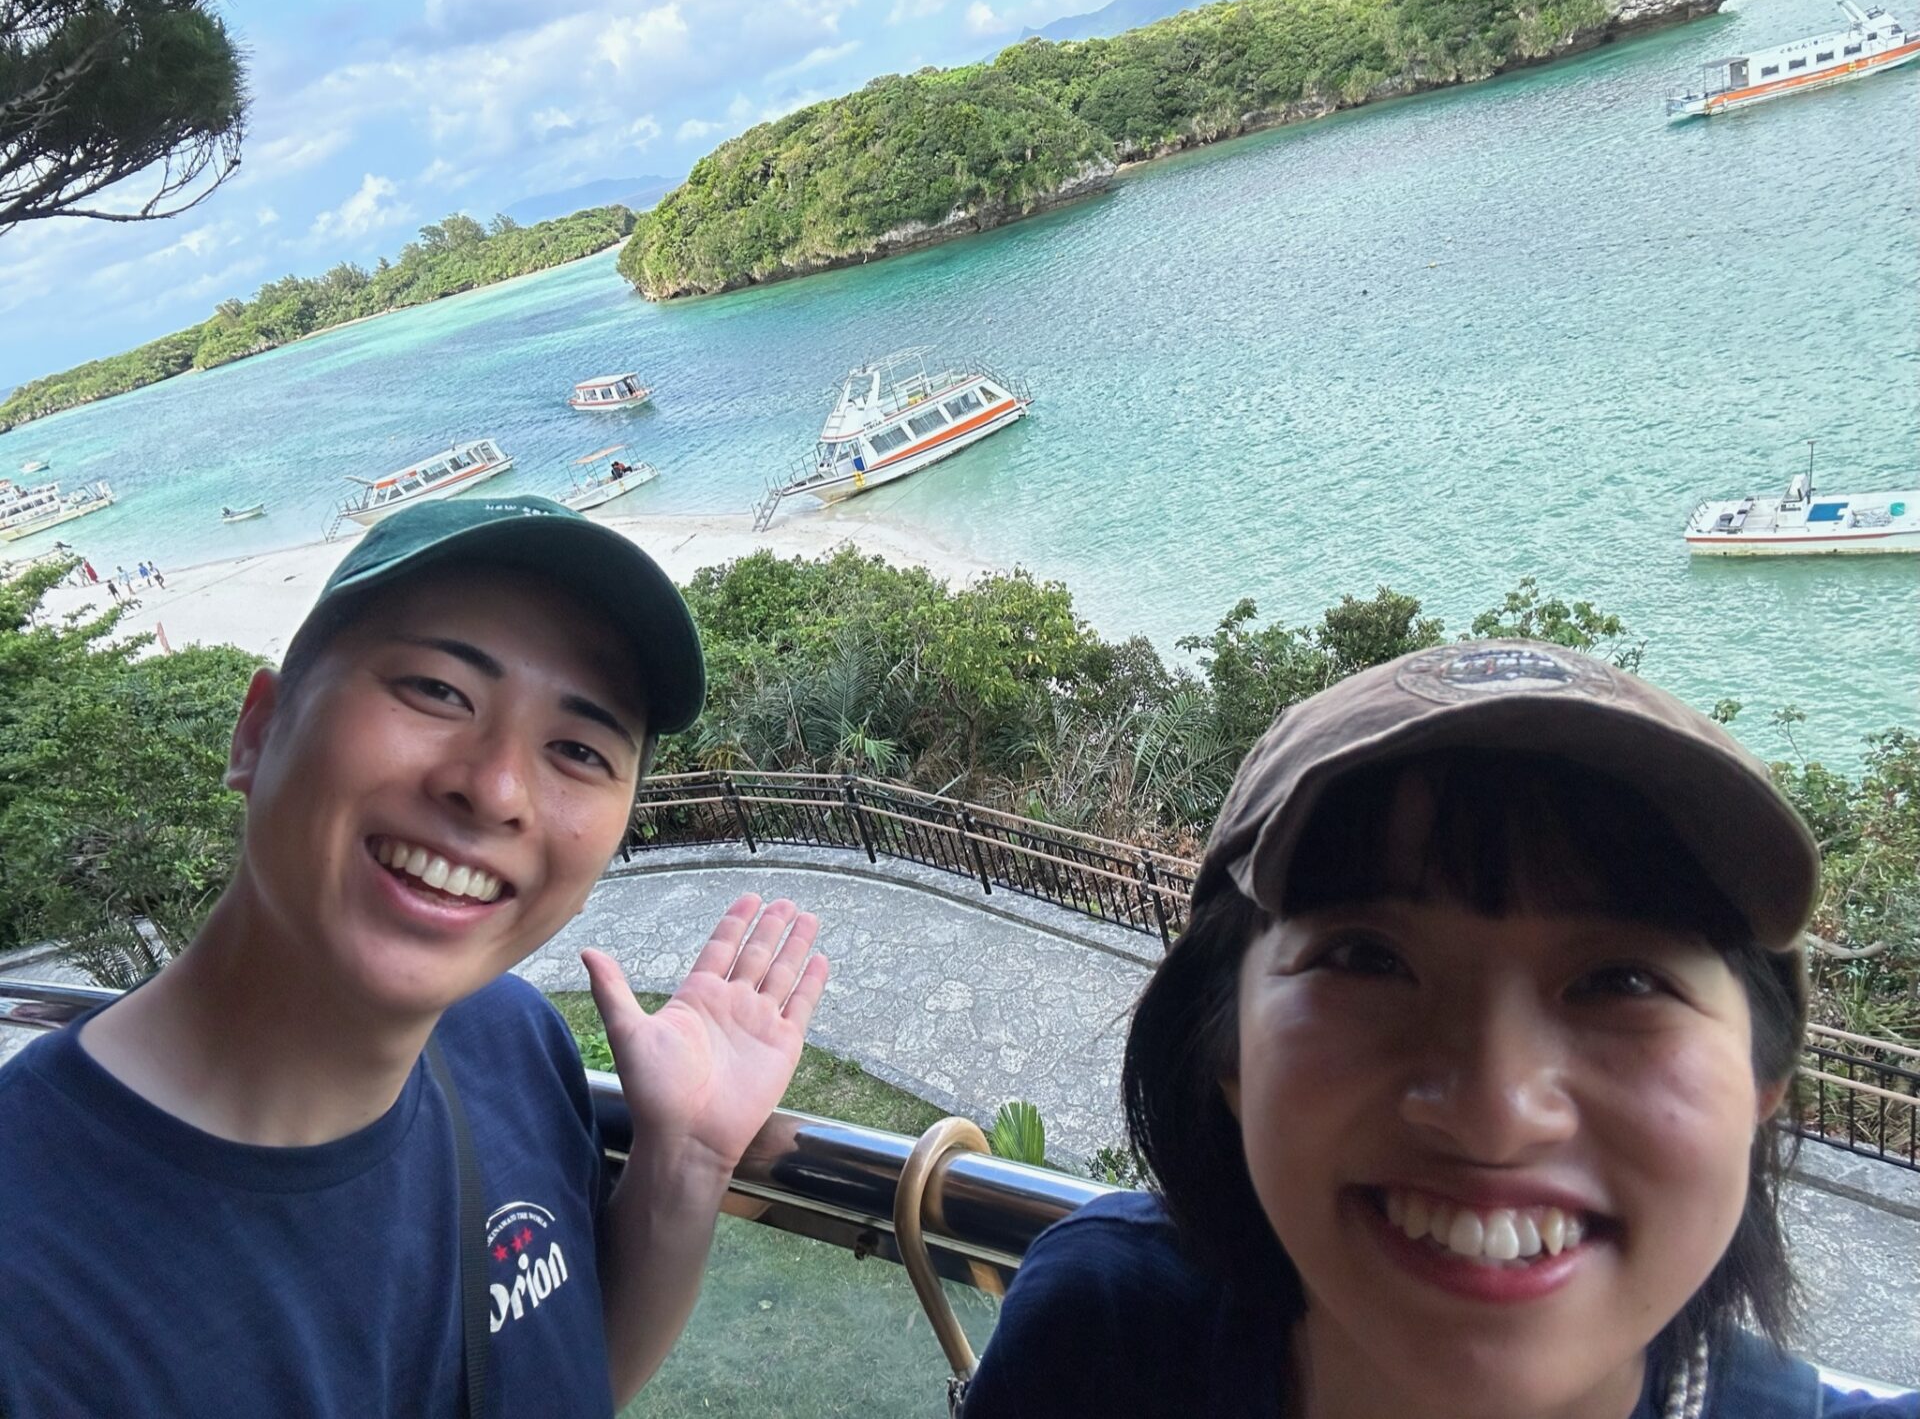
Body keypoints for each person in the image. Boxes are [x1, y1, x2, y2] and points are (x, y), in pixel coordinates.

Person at [0, 494, 830, 1417]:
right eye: (438, 690)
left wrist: (686, 1159)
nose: (498, 788)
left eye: (578, 748)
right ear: (258, 733)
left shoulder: (513, 1045)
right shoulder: (31, 1282)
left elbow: (561, 1381)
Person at [963, 640, 1918, 1419]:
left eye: (1622, 981)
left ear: (1763, 1081)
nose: (1494, 1113)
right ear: (1225, 1049)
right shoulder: (1097, 1343)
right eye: (1365, 958)